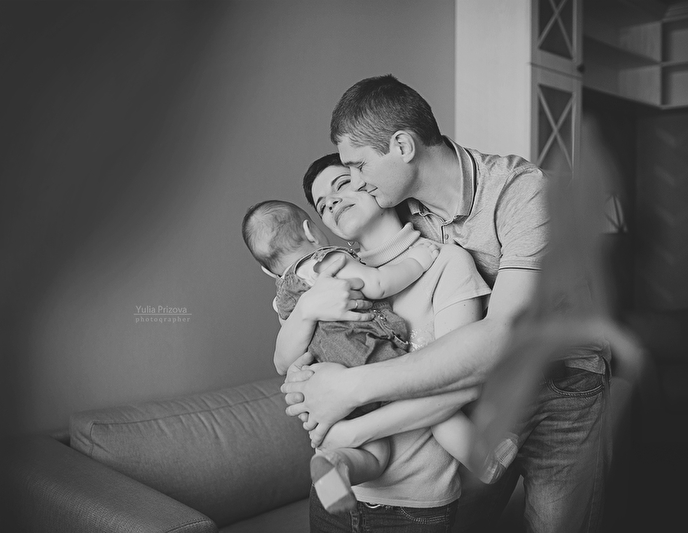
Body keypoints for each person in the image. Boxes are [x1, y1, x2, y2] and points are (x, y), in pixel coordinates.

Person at [281, 75, 612, 533]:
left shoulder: (523, 194)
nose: (355, 182)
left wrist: (348, 389)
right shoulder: (401, 207)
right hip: (482, 383)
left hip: (562, 382)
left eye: (358, 166)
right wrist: (307, 372)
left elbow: (500, 336)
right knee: (457, 518)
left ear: (402, 146)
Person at [242, 166, 514, 525]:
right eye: (322, 205)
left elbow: (460, 384)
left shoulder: (447, 261)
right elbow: (284, 362)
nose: (332, 202)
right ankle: (485, 460)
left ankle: (335, 463)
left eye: (342, 184)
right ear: (313, 229)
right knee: (416, 426)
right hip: (337, 506)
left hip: (413, 507)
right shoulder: (333, 268)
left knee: (382, 445)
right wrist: (308, 310)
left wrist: (348, 427)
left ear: (378, 183)